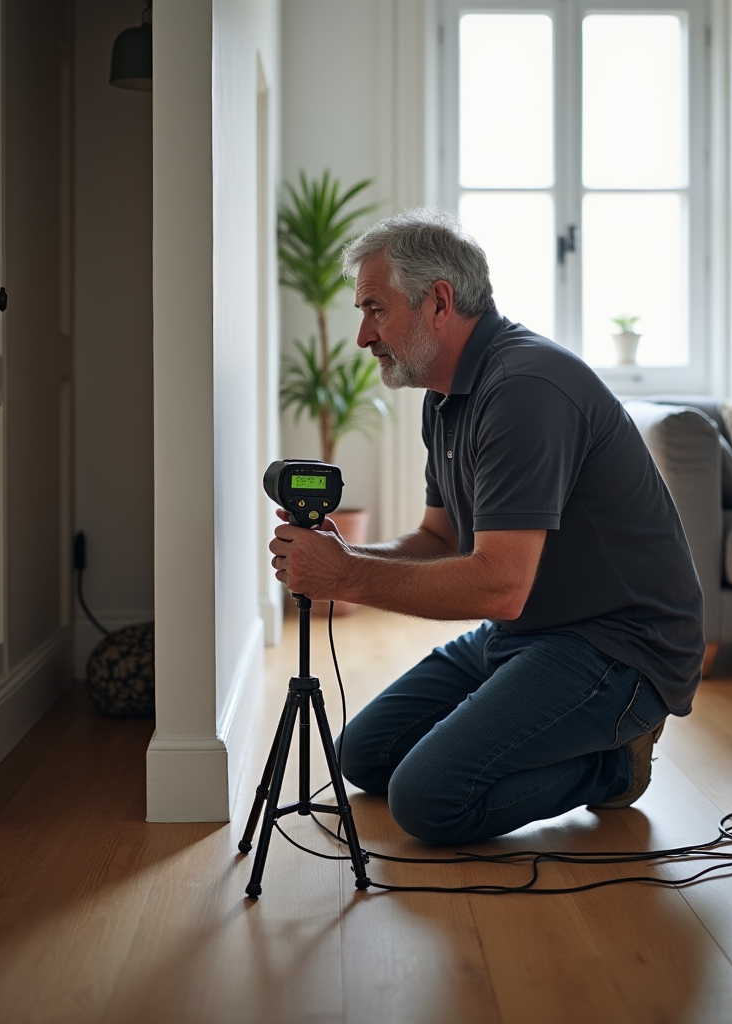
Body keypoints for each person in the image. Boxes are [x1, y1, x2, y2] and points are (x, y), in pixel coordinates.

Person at [269, 210, 705, 846]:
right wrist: (343, 553)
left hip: (620, 648)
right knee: (364, 757)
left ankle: (613, 765)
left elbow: (499, 586)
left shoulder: (526, 390)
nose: (363, 335)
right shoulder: (445, 398)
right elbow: (440, 543)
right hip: (524, 633)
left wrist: (347, 576)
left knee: (426, 801)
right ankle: (557, 734)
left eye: (374, 309)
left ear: (438, 301)